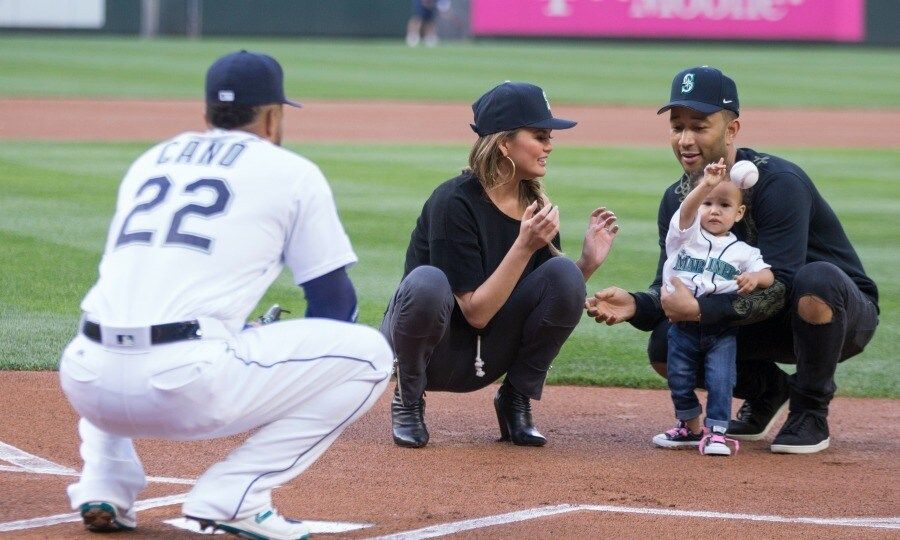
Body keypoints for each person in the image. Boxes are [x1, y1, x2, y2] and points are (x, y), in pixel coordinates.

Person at [58, 50, 393, 539]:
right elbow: (335, 306)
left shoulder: (151, 159)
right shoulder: (291, 173)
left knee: (123, 314)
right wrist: (271, 353)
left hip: (86, 379)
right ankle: (235, 497)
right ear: (273, 116)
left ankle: (104, 483)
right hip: (185, 387)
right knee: (370, 356)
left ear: (207, 114)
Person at [586, 66, 879, 454]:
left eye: (699, 126)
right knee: (663, 347)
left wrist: (701, 311)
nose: (685, 139)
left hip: (832, 314)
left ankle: (810, 409)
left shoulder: (779, 184)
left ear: (732, 130)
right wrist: (638, 305)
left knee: (816, 279)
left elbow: (779, 289)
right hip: (750, 316)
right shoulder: (678, 201)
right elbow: (673, 285)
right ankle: (768, 390)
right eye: (677, 127)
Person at [382, 81, 619, 449]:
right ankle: (408, 400)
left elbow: (550, 294)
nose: (549, 146)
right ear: (504, 143)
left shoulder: (535, 207)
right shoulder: (453, 202)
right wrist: (523, 246)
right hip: (436, 351)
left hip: (488, 355)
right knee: (427, 281)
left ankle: (515, 399)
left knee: (564, 273)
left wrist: (585, 264)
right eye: (540, 135)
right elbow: (475, 313)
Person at [652, 158, 773, 456]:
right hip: (681, 327)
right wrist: (705, 184)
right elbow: (686, 211)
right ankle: (690, 427)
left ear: (739, 213)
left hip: (721, 329)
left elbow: (769, 275)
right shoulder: (684, 237)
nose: (714, 210)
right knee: (679, 376)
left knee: (721, 378)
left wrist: (754, 278)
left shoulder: (743, 251)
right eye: (707, 203)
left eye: (724, 205)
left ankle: (717, 432)